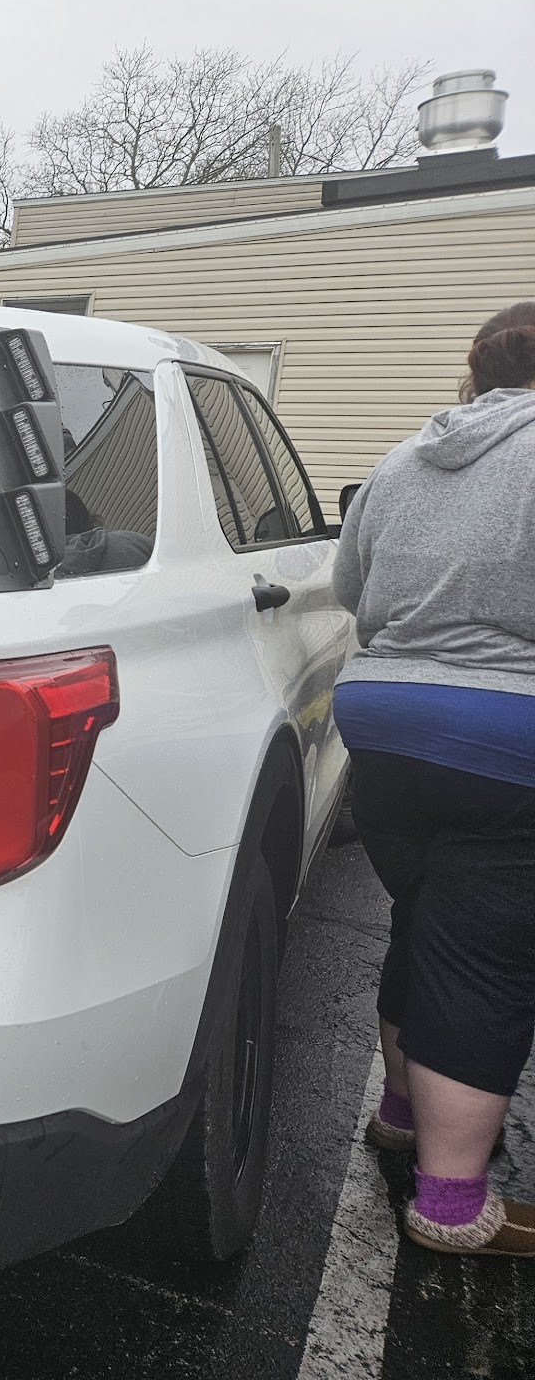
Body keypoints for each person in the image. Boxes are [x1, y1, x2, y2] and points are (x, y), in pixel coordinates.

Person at [333, 300, 535, 1257]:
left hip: (381, 717)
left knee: (425, 922)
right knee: (484, 959)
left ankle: (402, 1113)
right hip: (506, 734)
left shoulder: (402, 459)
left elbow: (350, 588)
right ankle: (453, 1207)